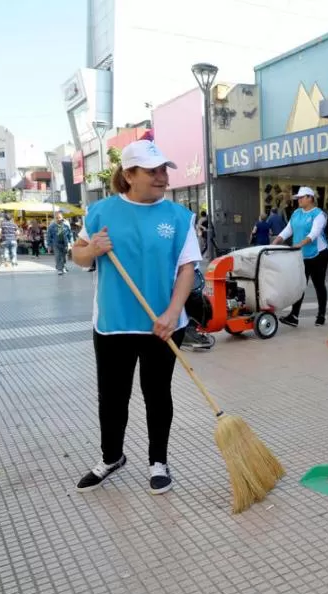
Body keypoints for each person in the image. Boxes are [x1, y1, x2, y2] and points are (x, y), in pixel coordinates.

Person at [71, 139, 201, 495]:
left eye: (163, 171)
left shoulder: (178, 216)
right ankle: (111, 457)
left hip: (163, 324)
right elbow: (78, 256)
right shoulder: (101, 212)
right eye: (152, 171)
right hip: (113, 323)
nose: (161, 178)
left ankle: (158, 461)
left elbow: (187, 269)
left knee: (157, 394)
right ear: (128, 175)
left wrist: (173, 312)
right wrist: (92, 250)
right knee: (112, 396)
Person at [274, 187, 328, 327]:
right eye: (298, 198)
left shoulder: (319, 214)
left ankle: (321, 315)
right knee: (300, 285)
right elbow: (288, 230)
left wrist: (300, 244)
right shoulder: (296, 213)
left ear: (310, 198)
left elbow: (314, 233)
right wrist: (276, 241)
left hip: (318, 254)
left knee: (319, 284)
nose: (298, 200)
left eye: (301, 197)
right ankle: (294, 316)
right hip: (301, 254)